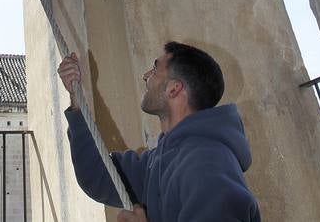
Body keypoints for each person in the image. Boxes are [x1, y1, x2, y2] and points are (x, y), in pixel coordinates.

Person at [58, 43, 261, 222]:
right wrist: (76, 100)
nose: (146, 76)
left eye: (155, 69)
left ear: (173, 89)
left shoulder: (208, 163)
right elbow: (97, 177)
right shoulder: (160, 160)